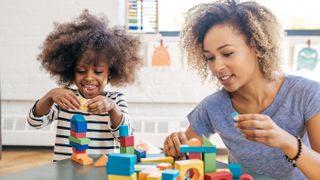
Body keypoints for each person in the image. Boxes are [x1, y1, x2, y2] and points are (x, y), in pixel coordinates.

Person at [163, 0, 320, 179]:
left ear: (256, 47)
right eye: (209, 58)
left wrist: (287, 142)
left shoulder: (307, 94)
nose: (217, 66)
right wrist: (175, 146)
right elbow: (185, 156)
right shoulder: (213, 106)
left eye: (227, 53)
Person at [27, 10, 142, 161]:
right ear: (70, 71)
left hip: (102, 171)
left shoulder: (116, 100)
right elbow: (34, 122)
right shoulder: (64, 99)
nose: (89, 78)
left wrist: (112, 107)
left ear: (110, 73)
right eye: (81, 71)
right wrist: (50, 96)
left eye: (98, 71)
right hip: (65, 171)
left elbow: (125, 138)